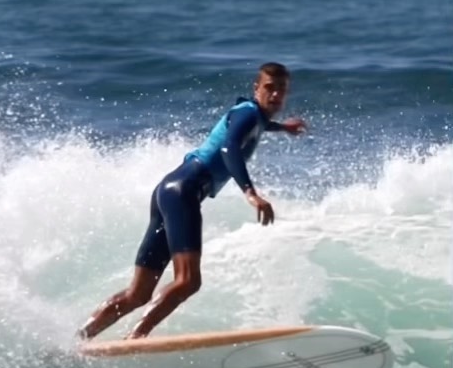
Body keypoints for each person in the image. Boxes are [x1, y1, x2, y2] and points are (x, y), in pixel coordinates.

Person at [78, 62, 306, 342]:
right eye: (269, 88)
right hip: (185, 190)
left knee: (138, 294)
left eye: (282, 89)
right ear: (256, 88)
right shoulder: (248, 113)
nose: (276, 95)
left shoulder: (253, 116)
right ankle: (136, 338)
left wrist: (283, 127)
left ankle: (80, 339)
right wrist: (250, 192)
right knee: (188, 281)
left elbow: (259, 125)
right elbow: (229, 148)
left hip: (168, 190)